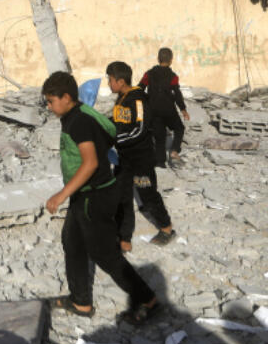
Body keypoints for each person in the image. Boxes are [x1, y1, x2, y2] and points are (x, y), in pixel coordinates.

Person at [43, 71, 159, 325]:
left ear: (66, 97)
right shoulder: (76, 114)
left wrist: (61, 194)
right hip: (84, 195)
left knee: (104, 254)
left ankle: (148, 300)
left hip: (94, 197)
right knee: (72, 243)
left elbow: (91, 162)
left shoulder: (80, 122)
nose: (49, 107)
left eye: (51, 101)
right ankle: (80, 302)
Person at [107, 61, 175, 248]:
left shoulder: (138, 100)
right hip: (124, 158)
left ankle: (167, 228)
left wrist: (117, 139)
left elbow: (140, 129)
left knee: (148, 196)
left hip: (140, 159)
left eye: (110, 80)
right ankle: (124, 238)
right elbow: (117, 120)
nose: (108, 84)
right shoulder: (121, 98)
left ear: (121, 81)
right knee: (121, 197)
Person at [139, 48, 190, 167]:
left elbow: (141, 87)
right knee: (179, 128)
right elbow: (177, 94)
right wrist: (183, 109)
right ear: (171, 60)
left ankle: (160, 162)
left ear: (158, 59)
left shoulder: (149, 74)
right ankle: (174, 150)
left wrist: (142, 101)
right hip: (168, 109)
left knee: (159, 137)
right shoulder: (173, 76)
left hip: (154, 110)